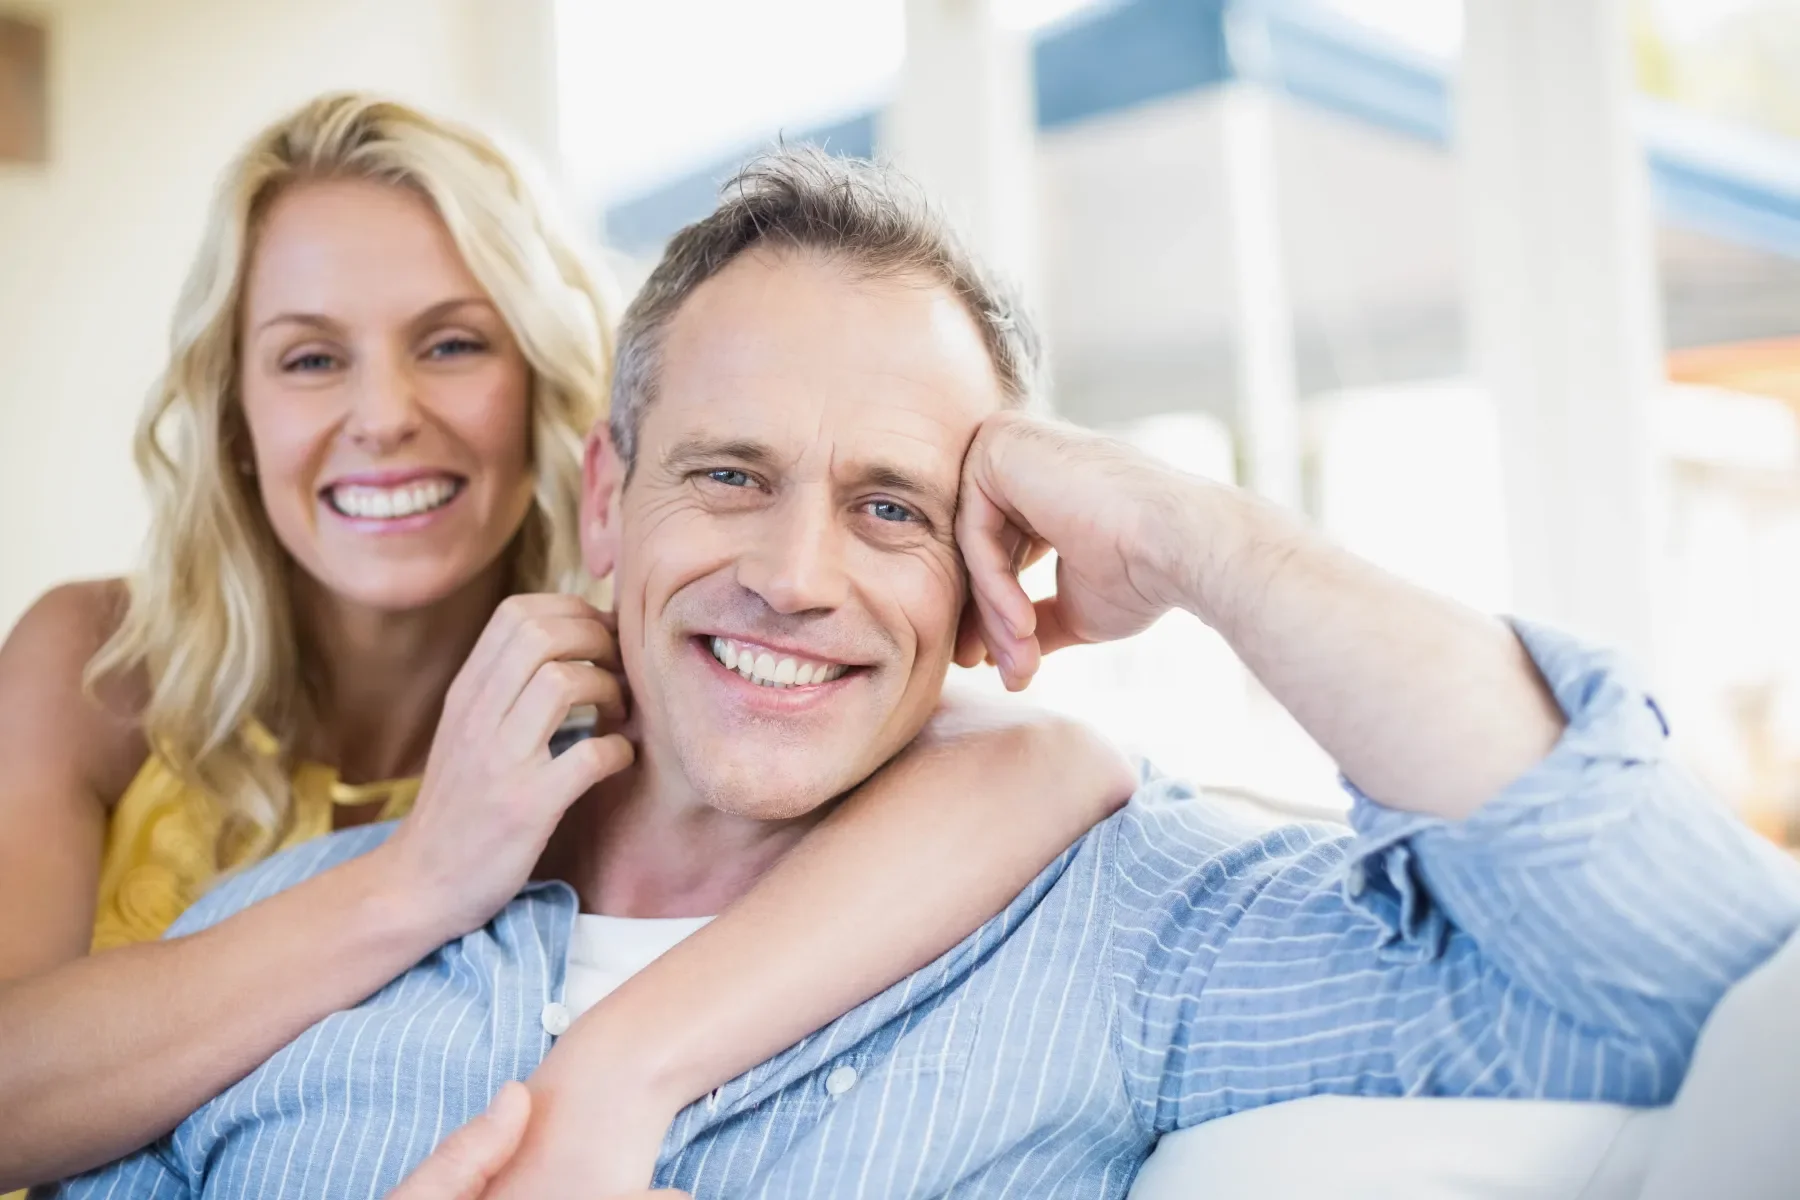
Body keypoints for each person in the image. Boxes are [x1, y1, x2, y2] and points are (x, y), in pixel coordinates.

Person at [47, 149, 1800, 1200]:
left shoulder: (1121, 931)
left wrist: (1213, 543)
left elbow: (1692, 983)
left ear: (986, 570)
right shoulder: (273, 941)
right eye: (729, 473)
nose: (795, 576)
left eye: (890, 506)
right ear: (605, 498)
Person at [0, 96, 1137, 1194]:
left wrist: (617, 1074)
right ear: (235, 412)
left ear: (544, 380)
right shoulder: (96, 661)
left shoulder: (663, 659)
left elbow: (1037, 762)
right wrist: (419, 880)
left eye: (450, 345)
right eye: (309, 359)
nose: (384, 413)